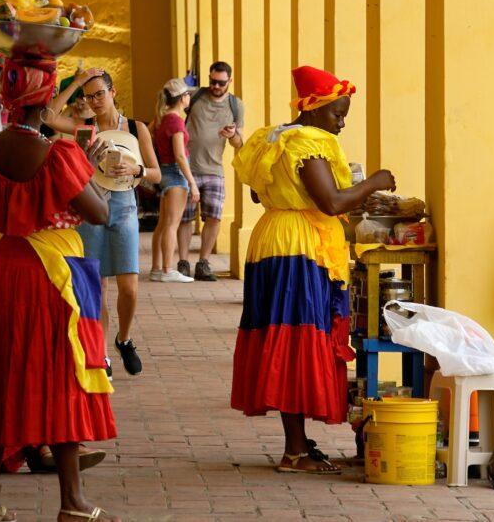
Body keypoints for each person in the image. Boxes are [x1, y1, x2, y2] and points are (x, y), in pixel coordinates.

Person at [0, 52, 120, 522]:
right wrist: (93, 170)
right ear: (47, 103)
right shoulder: (58, 154)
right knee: (60, 375)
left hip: (1, 268)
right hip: (50, 274)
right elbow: (98, 213)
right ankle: (72, 501)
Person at [231, 66, 397, 473]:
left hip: (274, 237)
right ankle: (294, 452)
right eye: (337, 114)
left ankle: (299, 442)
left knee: (288, 335)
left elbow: (258, 191)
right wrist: (375, 181)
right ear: (315, 110)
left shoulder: (273, 138)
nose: (341, 123)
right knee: (297, 340)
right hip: (298, 247)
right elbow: (331, 203)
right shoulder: (308, 143)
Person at [44, 68, 161, 378]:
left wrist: (137, 170)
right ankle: (102, 354)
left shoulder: (136, 129)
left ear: (113, 93)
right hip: (93, 205)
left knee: (129, 287)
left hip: (124, 206)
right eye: (88, 96)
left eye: (99, 94)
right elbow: (48, 116)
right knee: (98, 286)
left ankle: (124, 339)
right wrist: (77, 82)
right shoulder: (85, 129)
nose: (94, 101)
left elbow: (156, 173)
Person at [178, 62, 244, 281]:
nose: (215, 86)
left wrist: (232, 134)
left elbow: (239, 143)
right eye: (212, 81)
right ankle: (183, 263)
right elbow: (174, 111)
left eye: (221, 83)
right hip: (188, 167)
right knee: (185, 218)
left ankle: (203, 263)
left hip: (215, 169)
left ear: (229, 82)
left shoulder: (235, 105)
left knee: (214, 217)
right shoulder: (195, 96)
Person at [149, 79, 199, 282]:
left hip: (165, 172)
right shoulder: (176, 121)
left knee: (162, 224)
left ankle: (155, 269)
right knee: (172, 224)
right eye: (188, 94)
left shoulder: (162, 118)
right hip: (176, 174)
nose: (189, 98)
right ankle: (168, 270)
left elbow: (149, 133)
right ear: (182, 98)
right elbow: (180, 155)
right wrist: (192, 183)